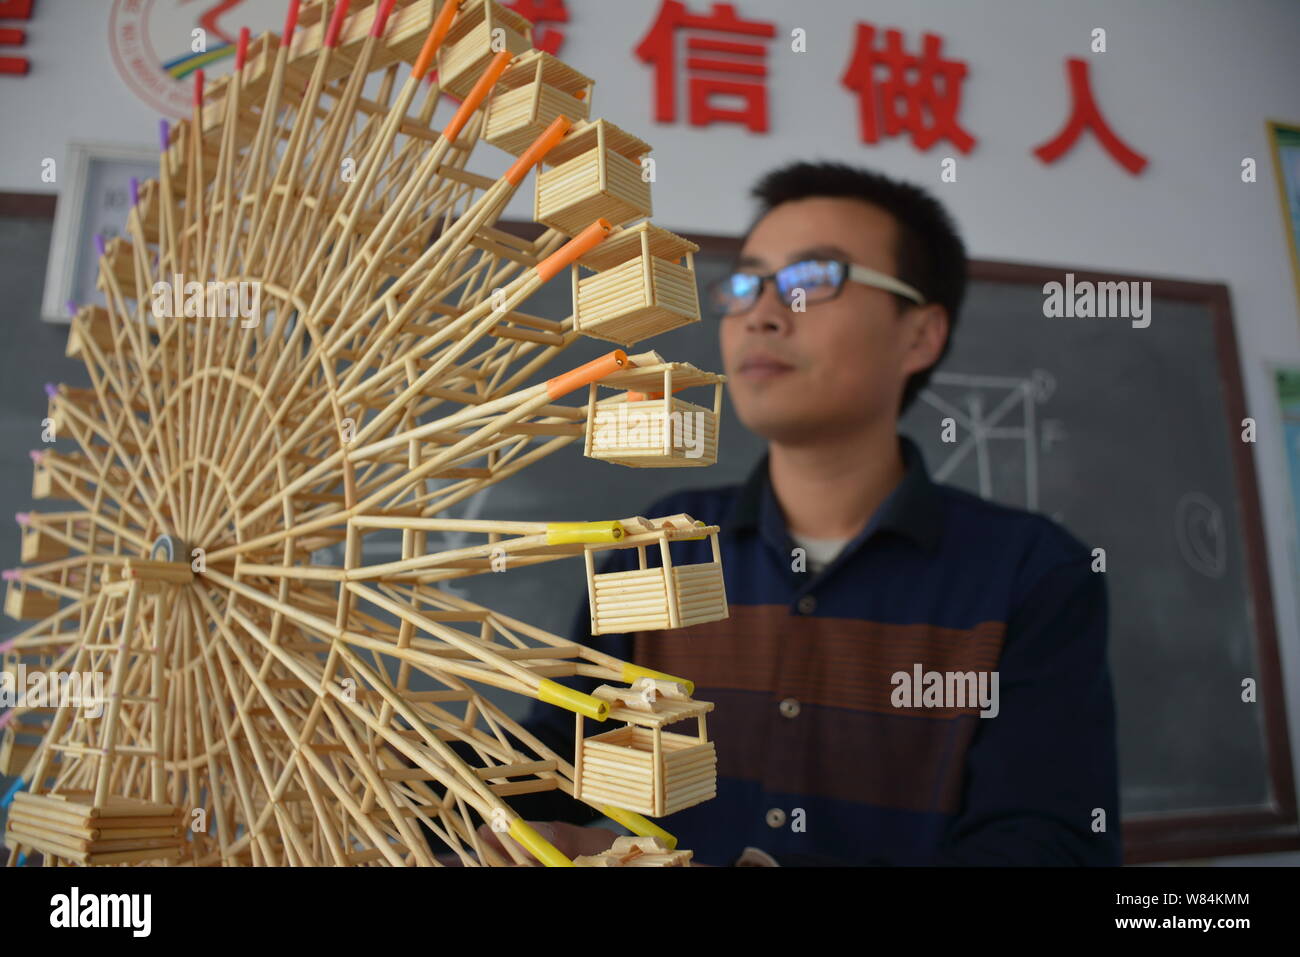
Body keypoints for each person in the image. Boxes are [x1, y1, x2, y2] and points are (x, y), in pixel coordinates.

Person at [503, 160, 1121, 867]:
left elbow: (1042, 847)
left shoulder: (1031, 576)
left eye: (809, 282)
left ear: (920, 333)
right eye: (746, 284)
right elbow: (561, 762)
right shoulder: (664, 546)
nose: (761, 313)